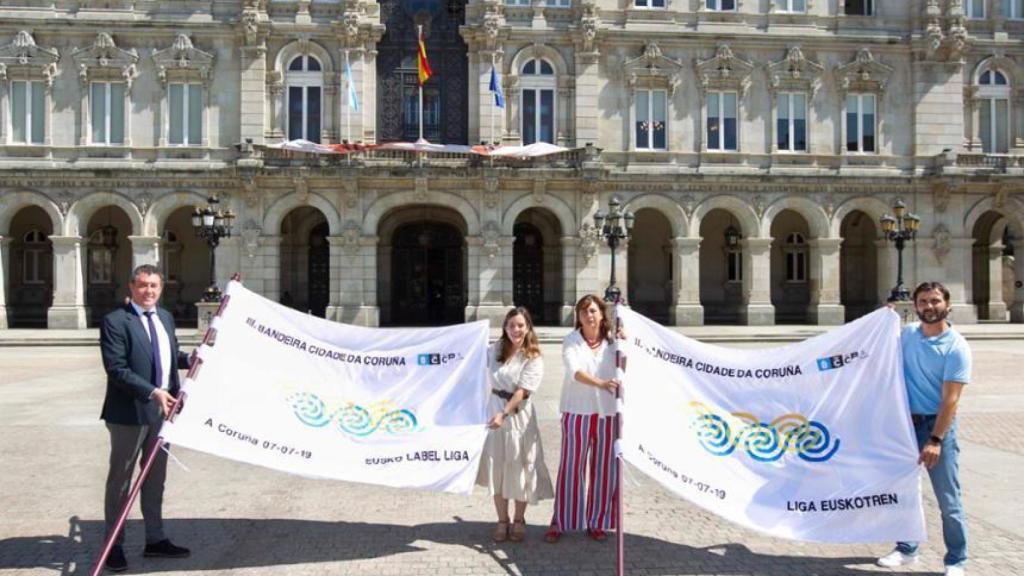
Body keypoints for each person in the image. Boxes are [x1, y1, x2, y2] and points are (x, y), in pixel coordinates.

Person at [99, 264, 193, 572]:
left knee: (155, 479)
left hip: (162, 413)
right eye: (142, 285)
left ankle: (155, 538)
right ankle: (114, 545)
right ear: (131, 287)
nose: (148, 291)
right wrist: (153, 392)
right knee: (121, 480)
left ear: (161, 288)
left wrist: (190, 358)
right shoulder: (115, 321)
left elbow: (168, 357)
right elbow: (117, 369)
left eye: (153, 285)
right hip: (129, 413)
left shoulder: (165, 317)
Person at [877, 281, 971, 576]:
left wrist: (936, 439)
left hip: (936, 426)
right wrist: (882, 319)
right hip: (905, 424)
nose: (929, 307)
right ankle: (907, 548)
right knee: (903, 492)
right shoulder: (907, 335)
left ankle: (956, 560)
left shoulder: (956, 347)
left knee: (948, 499)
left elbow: (951, 400)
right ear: (915, 306)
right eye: (923, 302)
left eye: (935, 301)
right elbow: (877, 348)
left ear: (947, 305)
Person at [544, 294, 620, 543]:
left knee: (604, 469)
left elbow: (626, 367)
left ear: (602, 315)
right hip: (577, 411)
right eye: (584, 311)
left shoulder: (613, 342)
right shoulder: (571, 340)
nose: (589, 315)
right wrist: (601, 383)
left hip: (607, 413)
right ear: (578, 316)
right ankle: (561, 520)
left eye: (593, 311)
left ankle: (597, 521)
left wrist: (627, 344)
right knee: (571, 467)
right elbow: (574, 371)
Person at [476, 307, 554, 542]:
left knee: (521, 468)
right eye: (511, 325)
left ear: (528, 327)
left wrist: (504, 413)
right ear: (505, 327)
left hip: (519, 418)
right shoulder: (494, 349)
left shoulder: (533, 356)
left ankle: (519, 520)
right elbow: (470, 362)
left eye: (521, 325)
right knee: (498, 469)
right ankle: (502, 520)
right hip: (495, 413)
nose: (516, 330)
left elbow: (522, 391)